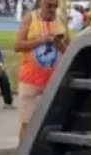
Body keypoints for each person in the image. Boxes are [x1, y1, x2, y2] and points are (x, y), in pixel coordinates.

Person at [14, 0, 66, 141]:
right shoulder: (30, 18)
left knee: (50, 124)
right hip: (30, 79)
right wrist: (41, 40)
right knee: (27, 123)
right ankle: (23, 152)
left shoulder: (61, 21)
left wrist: (59, 45)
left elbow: (68, 49)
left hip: (53, 80)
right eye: (49, 5)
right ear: (42, 3)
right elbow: (18, 45)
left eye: (55, 6)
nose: (52, 9)